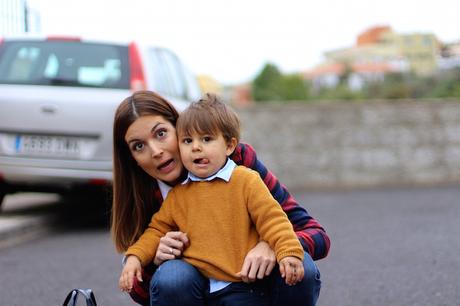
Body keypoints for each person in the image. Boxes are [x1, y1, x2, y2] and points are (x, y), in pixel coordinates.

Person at [111, 90, 330, 306]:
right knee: (173, 277)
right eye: (138, 146)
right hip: (195, 288)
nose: (156, 151)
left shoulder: (241, 170)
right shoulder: (153, 198)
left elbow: (312, 233)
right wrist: (149, 261)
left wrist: (273, 245)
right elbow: (141, 292)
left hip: (248, 280)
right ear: (131, 158)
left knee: (302, 264)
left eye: (161, 134)